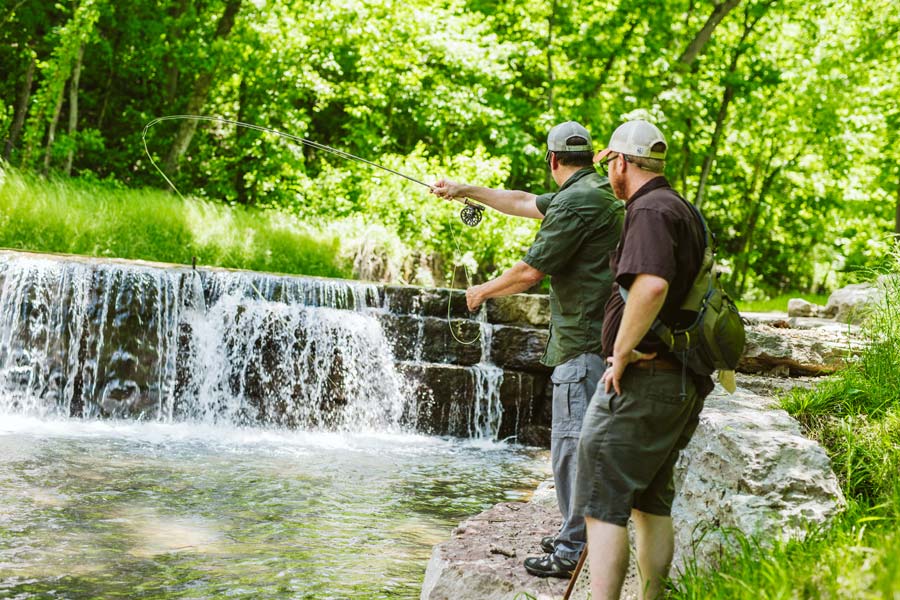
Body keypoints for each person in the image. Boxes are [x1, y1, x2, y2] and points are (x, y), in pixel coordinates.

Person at [431, 121, 623, 578]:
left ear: (552, 159)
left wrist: (481, 292)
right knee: (575, 445)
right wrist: (466, 190)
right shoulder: (590, 191)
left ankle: (573, 549)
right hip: (592, 340)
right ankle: (573, 535)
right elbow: (519, 201)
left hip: (583, 344)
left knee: (571, 448)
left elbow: (530, 272)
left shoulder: (576, 203)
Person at [572, 119, 716, 599]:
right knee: (651, 502)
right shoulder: (683, 210)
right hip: (679, 378)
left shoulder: (649, 210)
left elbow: (651, 285)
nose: (608, 172)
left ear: (621, 162)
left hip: (645, 378)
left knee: (601, 501)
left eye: (608, 162)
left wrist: (619, 352)